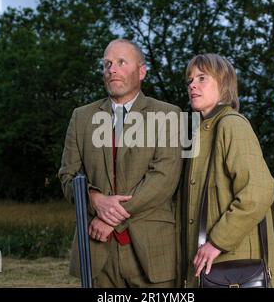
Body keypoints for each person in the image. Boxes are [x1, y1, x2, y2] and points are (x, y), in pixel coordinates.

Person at [58, 38, 182, 288]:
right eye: (107, 64)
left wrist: (109, 218)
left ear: (142, 71)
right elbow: (67, 176)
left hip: (152, 252)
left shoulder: (169, 114)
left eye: (121, 62)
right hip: (98, 254)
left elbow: (164, 178)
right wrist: (94, 199)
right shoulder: (81, 117)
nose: (111, 69)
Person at [177, 53, 274, 288]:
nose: (192, 85)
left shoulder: (232, 125)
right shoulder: (199, 133)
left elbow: (259, 192)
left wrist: (216, 241)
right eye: (190, 80)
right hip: (209, 267)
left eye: (202, 78)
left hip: (235, 263)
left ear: (223, 84)